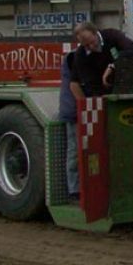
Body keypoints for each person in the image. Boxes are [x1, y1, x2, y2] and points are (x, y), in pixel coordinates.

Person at [70, 22, 133, 98]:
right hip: (104, 88)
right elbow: (90, 83)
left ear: (95, 33)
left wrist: (113, 66)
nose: (91, 47)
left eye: (92, 42)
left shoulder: (112, 35)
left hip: (126, 79)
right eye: (86, 45)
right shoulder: (81, 55)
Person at [58, 52, 79, 202]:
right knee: (75, 150)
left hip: (75, 109)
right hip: (73, 111)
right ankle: (74, 190)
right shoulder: (74, 58)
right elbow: (75, 85)